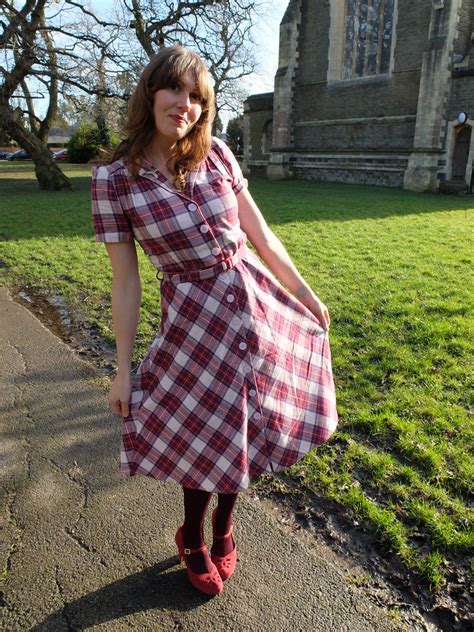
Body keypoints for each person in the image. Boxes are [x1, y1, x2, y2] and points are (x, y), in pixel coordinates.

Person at [91, 45, 338, 596]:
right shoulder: (113, 179)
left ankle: (224, 528)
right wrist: (123, 369)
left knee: (245, 427)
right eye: (175, 90)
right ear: (151, 92)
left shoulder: (219, 155)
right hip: (193, 322)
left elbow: (263, 237)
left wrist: (305, 293)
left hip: (254, 308)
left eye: (197, 96)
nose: (185, 105)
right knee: (206, 433)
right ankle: (193, 537)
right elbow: (126, 281)